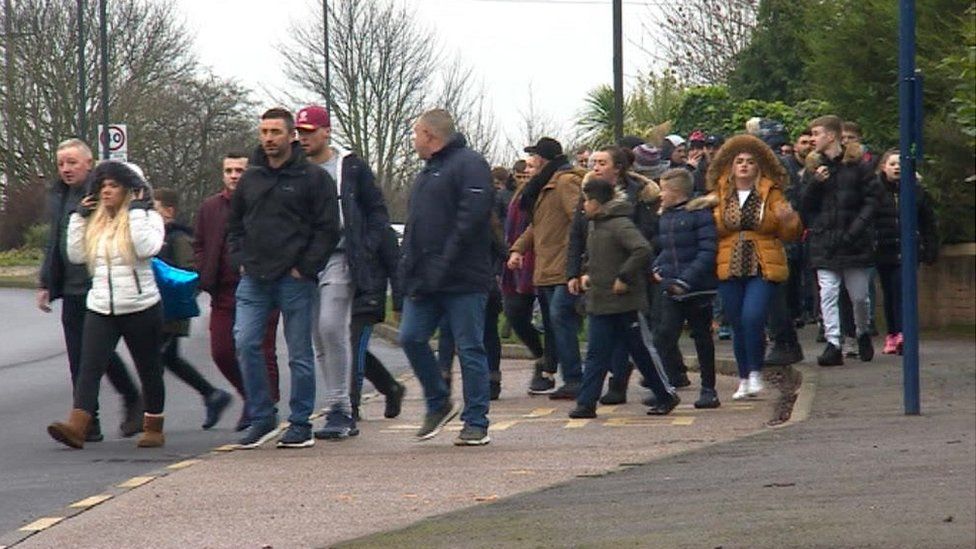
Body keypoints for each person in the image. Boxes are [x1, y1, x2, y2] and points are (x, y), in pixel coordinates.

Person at [227, 107, 341, 449]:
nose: (269, 139)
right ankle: (262, 416)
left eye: (275, 132)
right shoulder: (251, 179)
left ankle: (300, 422)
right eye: (264, 132)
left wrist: (305, 267)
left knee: (299, 354)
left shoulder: (313, 178)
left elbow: (328, 229)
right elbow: (235, 225)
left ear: (291, 135)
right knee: (245, 342)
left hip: (295, 279)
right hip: (254, 277)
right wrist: (239, 260)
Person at [47, 161, 167, 449]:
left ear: (130, 190)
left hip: (140, 306)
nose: (106, 191)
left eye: (114, 186)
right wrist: (79, 218)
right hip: (101, 307)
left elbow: (145, 249)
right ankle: (77, 425)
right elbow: (76, 256)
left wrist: (136, 211)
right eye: (102, 186)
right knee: (89, 367)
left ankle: (153, 425)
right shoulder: (95, 220)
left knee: (149, 368)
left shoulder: (149, 217)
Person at [294, 104, 392, 439]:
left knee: (331, 326)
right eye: (300, 133)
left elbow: (376, 210)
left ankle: (342, 407)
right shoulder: (294, 169)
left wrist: (366, 246)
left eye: (309, 132)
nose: (303, 138)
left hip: (339, 256)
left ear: (326, 132)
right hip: (303, 261)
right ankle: (337, 405)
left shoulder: (349, 168)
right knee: (318, 336)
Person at [398, 108, 495, 446]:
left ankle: (476, 421)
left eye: (416, 133)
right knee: (410, 337)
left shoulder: (470, 164)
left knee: (470, 348)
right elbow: (416, 227)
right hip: (425, 279)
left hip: (463, 277)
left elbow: (470, 220)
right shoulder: (428, 172)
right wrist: (407, 269)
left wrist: (445, 261)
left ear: (430, 135)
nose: (414, 140)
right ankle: (438, 401)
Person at [38, 139, 143, 441]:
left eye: (72, 162)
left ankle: (132, 399)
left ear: (89, 163)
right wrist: (46, 282)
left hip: (98, 284)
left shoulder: (101, 192)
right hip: (71, 288)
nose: (66, 169)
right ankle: (89, 422)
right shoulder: (60, 195)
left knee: (98, 354)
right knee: (78, 356)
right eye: (61, 164)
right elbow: (55, 240)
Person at [568, 177, 680, 418]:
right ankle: (586, 403)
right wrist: (587, 274)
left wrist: (624, 276)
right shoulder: (595, 226)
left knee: (642, 351)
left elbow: (642, 249)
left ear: (596, 203)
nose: (583, 206)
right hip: (601, 301)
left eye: (586, 201)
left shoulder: (619, 224)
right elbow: (596, 257)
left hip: (625, 303)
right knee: (596, 354)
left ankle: (665, 394)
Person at [704, 135, 803, 399]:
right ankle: (744, 377)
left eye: (750, 161)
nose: (744, 165)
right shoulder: (720, 194)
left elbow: (790, 234)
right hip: (729, 262)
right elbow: (712, 229)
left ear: (759, 166)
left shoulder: (772, 193)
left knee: (753, 316)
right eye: (739, 161)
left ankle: (756, 371)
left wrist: (790, 220)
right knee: (737, 322)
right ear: (731, 166)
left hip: (762, 262)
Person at [193, 153, 281, 432]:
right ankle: (253, 397)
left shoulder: (263, 203)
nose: (233, 176)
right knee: (222, 351)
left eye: (239, 170)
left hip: (260, 287)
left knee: (261, 349)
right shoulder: (210, 207)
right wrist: (203, 268)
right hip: (222, 292)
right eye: (228, 170)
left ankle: (264, 406)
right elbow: (199, 243)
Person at [508, 137, 586, 400]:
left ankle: (575, 378)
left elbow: (579, 220)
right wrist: (518, 249)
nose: (530, 164)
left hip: (563, 265)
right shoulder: (546, 185)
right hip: (547, 266)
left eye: (534, 158)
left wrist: (577, 259)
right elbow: (538, 225)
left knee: (561, 318)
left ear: (543, 159)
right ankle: (573, 377)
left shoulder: (564, 183)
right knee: (555, 323)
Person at [152, 187, 232, 429]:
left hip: (172, 310)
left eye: (154, 208)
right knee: (168, 358)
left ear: (169, 211)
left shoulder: (178, 238)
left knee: (155, 359)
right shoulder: (156, 238)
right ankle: (212, 395)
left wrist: (175, 294)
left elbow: (190, 273)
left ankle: (149, 413)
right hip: (159, 309)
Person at [802, 115, 878, 367]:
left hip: (854, 241)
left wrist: (855, 230)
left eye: (817, 133)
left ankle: (862, 331)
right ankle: (833, 342)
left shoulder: (858, 166)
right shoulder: (814, 169)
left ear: (831, 135)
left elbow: (872, 200)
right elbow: (803, 205)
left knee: (859, 296)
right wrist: (815, 183)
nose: (812, 139)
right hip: (825, 240)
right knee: (828, 292)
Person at [652, 168, 720, 409]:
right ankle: (666, 386)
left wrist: (686, 280)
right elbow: (666, 250)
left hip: (697, 288)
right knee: (663, 336)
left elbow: (707, 251)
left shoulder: (699, 215)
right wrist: (657, 267)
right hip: (672, 288)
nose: (660, 195)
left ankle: (709, 389)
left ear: (677, 191)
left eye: (664, 190)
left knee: (702, 337)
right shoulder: (666, 216)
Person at [871, 149, 939, 354]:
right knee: (889, 292)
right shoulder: (875, 190)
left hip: (908, 250)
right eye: (892, 164)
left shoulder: (915, 190)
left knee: (902, 289)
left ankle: (903, 333)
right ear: (883, 167)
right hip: (884, 249)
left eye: (900, 163)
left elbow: (928, 220)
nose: (897, 167)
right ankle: (892, 333)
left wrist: (930, 247)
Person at [501, 156, 556, 394]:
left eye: (532, 166)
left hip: (544, 258)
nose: (526, 171)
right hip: (517, 258)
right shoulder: (519, 194)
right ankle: (540, 355)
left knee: (550, 318)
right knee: (514, 312)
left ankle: (548, 370)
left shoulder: (550, 190)